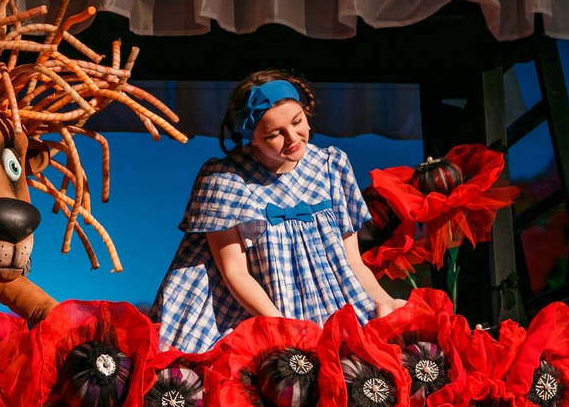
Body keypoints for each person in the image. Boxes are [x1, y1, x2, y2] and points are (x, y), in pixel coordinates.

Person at [150, 69, 405, 353]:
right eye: (274, 134)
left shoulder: (331, 165)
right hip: (264, 312)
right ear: (252, 137)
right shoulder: (225, 179)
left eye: (297, 121)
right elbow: (235, 272)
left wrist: (384, 300)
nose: (292, 137)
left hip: (337, 309)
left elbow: (352, 262)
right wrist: (283, 328)